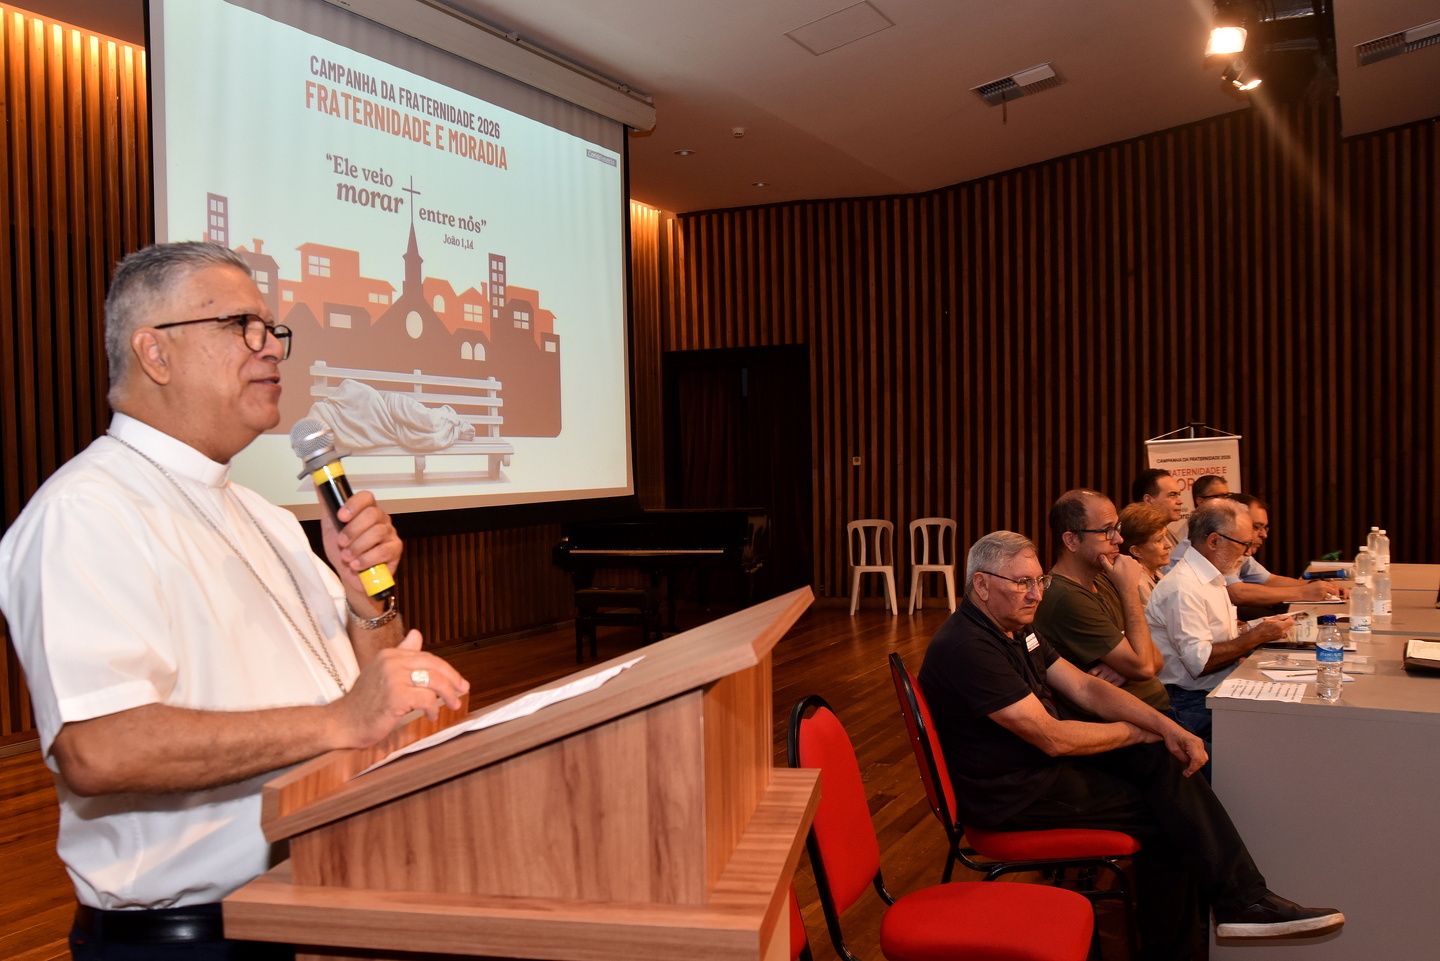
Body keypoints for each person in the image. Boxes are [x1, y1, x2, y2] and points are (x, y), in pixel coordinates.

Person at [0, 242, 470, 960]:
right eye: (239, 326)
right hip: (187, 942)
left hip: (313, 901)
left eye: (272, 329)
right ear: (155, 353)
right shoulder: (86, 512)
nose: (271, 347)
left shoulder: (266, 517)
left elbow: (368, 699)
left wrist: (365, 602)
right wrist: (338, 720)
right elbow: (96, 747)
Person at [918, 531, 1343, 960]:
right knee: (1170, 814)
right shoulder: (969, 647)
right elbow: (1053, 738)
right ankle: (1223, 915)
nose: (1035, 594)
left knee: (1165, 762)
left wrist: (1164, 727)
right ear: (981, 585)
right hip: (1010, 795)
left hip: (1033, 771)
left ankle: (1237, 904)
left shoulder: (1015, 627)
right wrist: (1137, 732)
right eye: (1021, 583)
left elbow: (1085, 687)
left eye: (1038, 581)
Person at [1147, 502, 1292, 754]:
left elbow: (1219, 636)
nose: (1247, 553)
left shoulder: (1211, 577)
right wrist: (1256, 636)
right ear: (1214, 541)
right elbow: (1200, 663)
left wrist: (1255, 629)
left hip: (1213, 687)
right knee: (1277, 731)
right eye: (1243, 544)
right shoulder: (1184, 587)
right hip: (1190, 700)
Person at [1033, 490, 1168, 714]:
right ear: (1071, 540)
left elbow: (1157, 660)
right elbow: (1145, 667)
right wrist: (1129, 589)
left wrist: (1124, 669)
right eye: (1107, 531)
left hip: (1155, 712)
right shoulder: (1065, 597)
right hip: (1124, 725)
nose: (1119, 539)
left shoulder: (1104, 580)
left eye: (1117, 528)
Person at [1223, 492, 1347, 612]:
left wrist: (1319, 585)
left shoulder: (1243, 553)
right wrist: (1304, 592)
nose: (1264, 535)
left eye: (1264, 528)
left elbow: (1269, 580)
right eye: (1256, 527)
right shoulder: (1223, 548)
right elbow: (1236, 593)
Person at [1117, 502, 1172, 606]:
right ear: (1136, 551)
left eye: (1166, 536)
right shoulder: (1136, 584)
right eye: (1159, 540)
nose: (1168, 545)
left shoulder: (1158, 575)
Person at [1128, 468, 1184, 549]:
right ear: (1148, 500)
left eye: (1179, 494)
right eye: (1172, 495)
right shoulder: (1136, 538)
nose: (1180, 501)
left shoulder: (1171, 535)